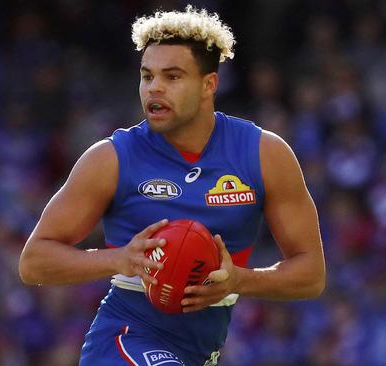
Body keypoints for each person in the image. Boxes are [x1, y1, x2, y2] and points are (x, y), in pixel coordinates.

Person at [18, 6, 326, 365]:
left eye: (172, 76)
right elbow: (33, 262)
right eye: (147, 76)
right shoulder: (111, 158)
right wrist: (118, 258)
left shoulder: (264, 154)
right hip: (124, 339)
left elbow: (311, 275)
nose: (155, 88)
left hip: (199, 351)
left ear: (209, 84)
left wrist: (239, 280)